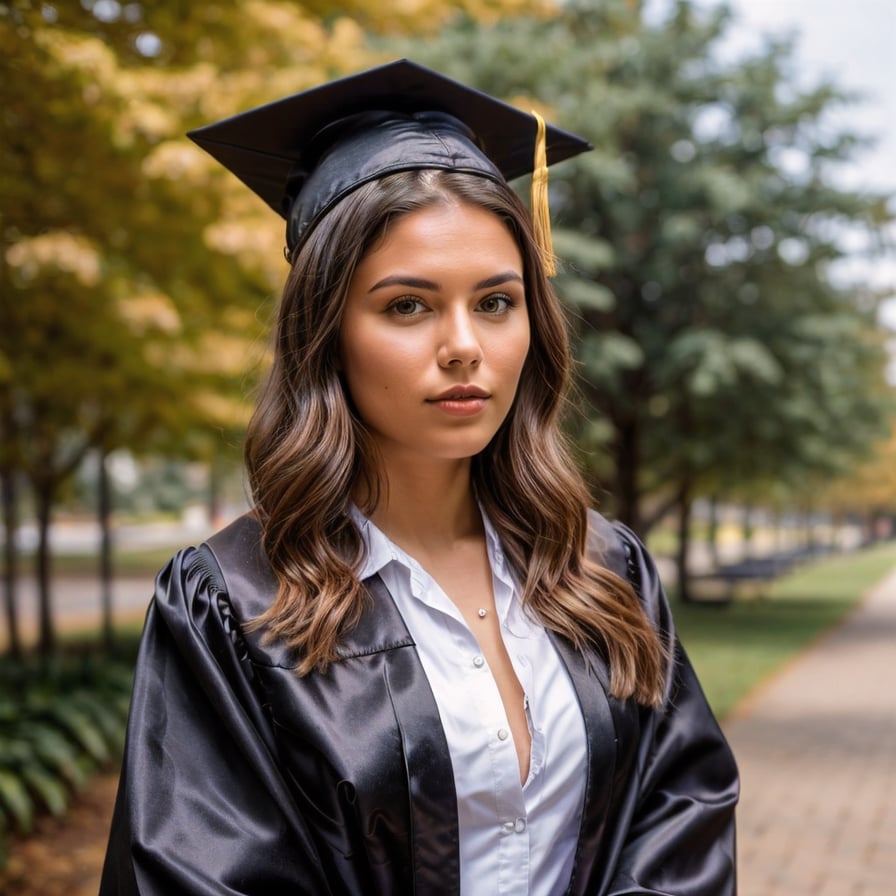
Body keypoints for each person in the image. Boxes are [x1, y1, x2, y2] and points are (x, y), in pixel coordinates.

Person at [100, 59, 738, 895]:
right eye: (408, 305)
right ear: (326, 334)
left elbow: (679, 815)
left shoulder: (602, 570)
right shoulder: (237, 604)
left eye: (497, 302)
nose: (464, 344)